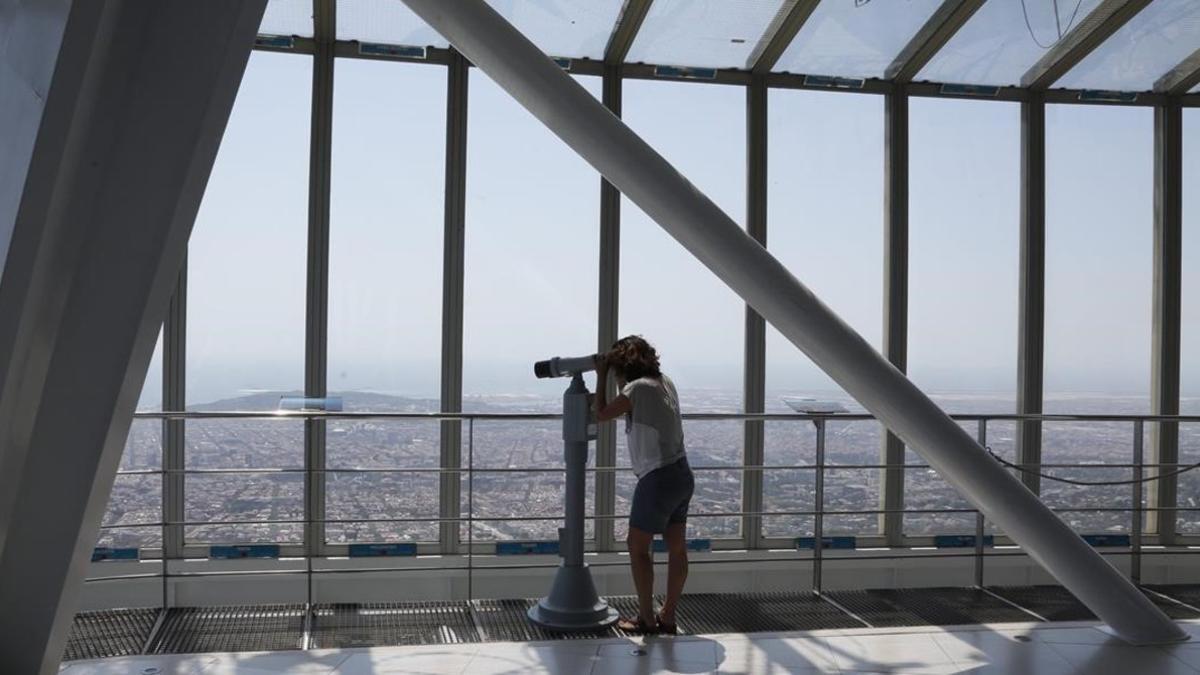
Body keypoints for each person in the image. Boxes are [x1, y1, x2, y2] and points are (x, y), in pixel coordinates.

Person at [594, 335, 694, 634]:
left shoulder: (636, 389)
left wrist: (601, 376)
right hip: (681, 473)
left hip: (657, 478)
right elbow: (627, 400)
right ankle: (669, 615)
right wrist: (614, 375)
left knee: (637, 548)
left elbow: (601, 414)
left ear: (622, 366)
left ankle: (646, 618)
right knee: (676, 549)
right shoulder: (664, 382)